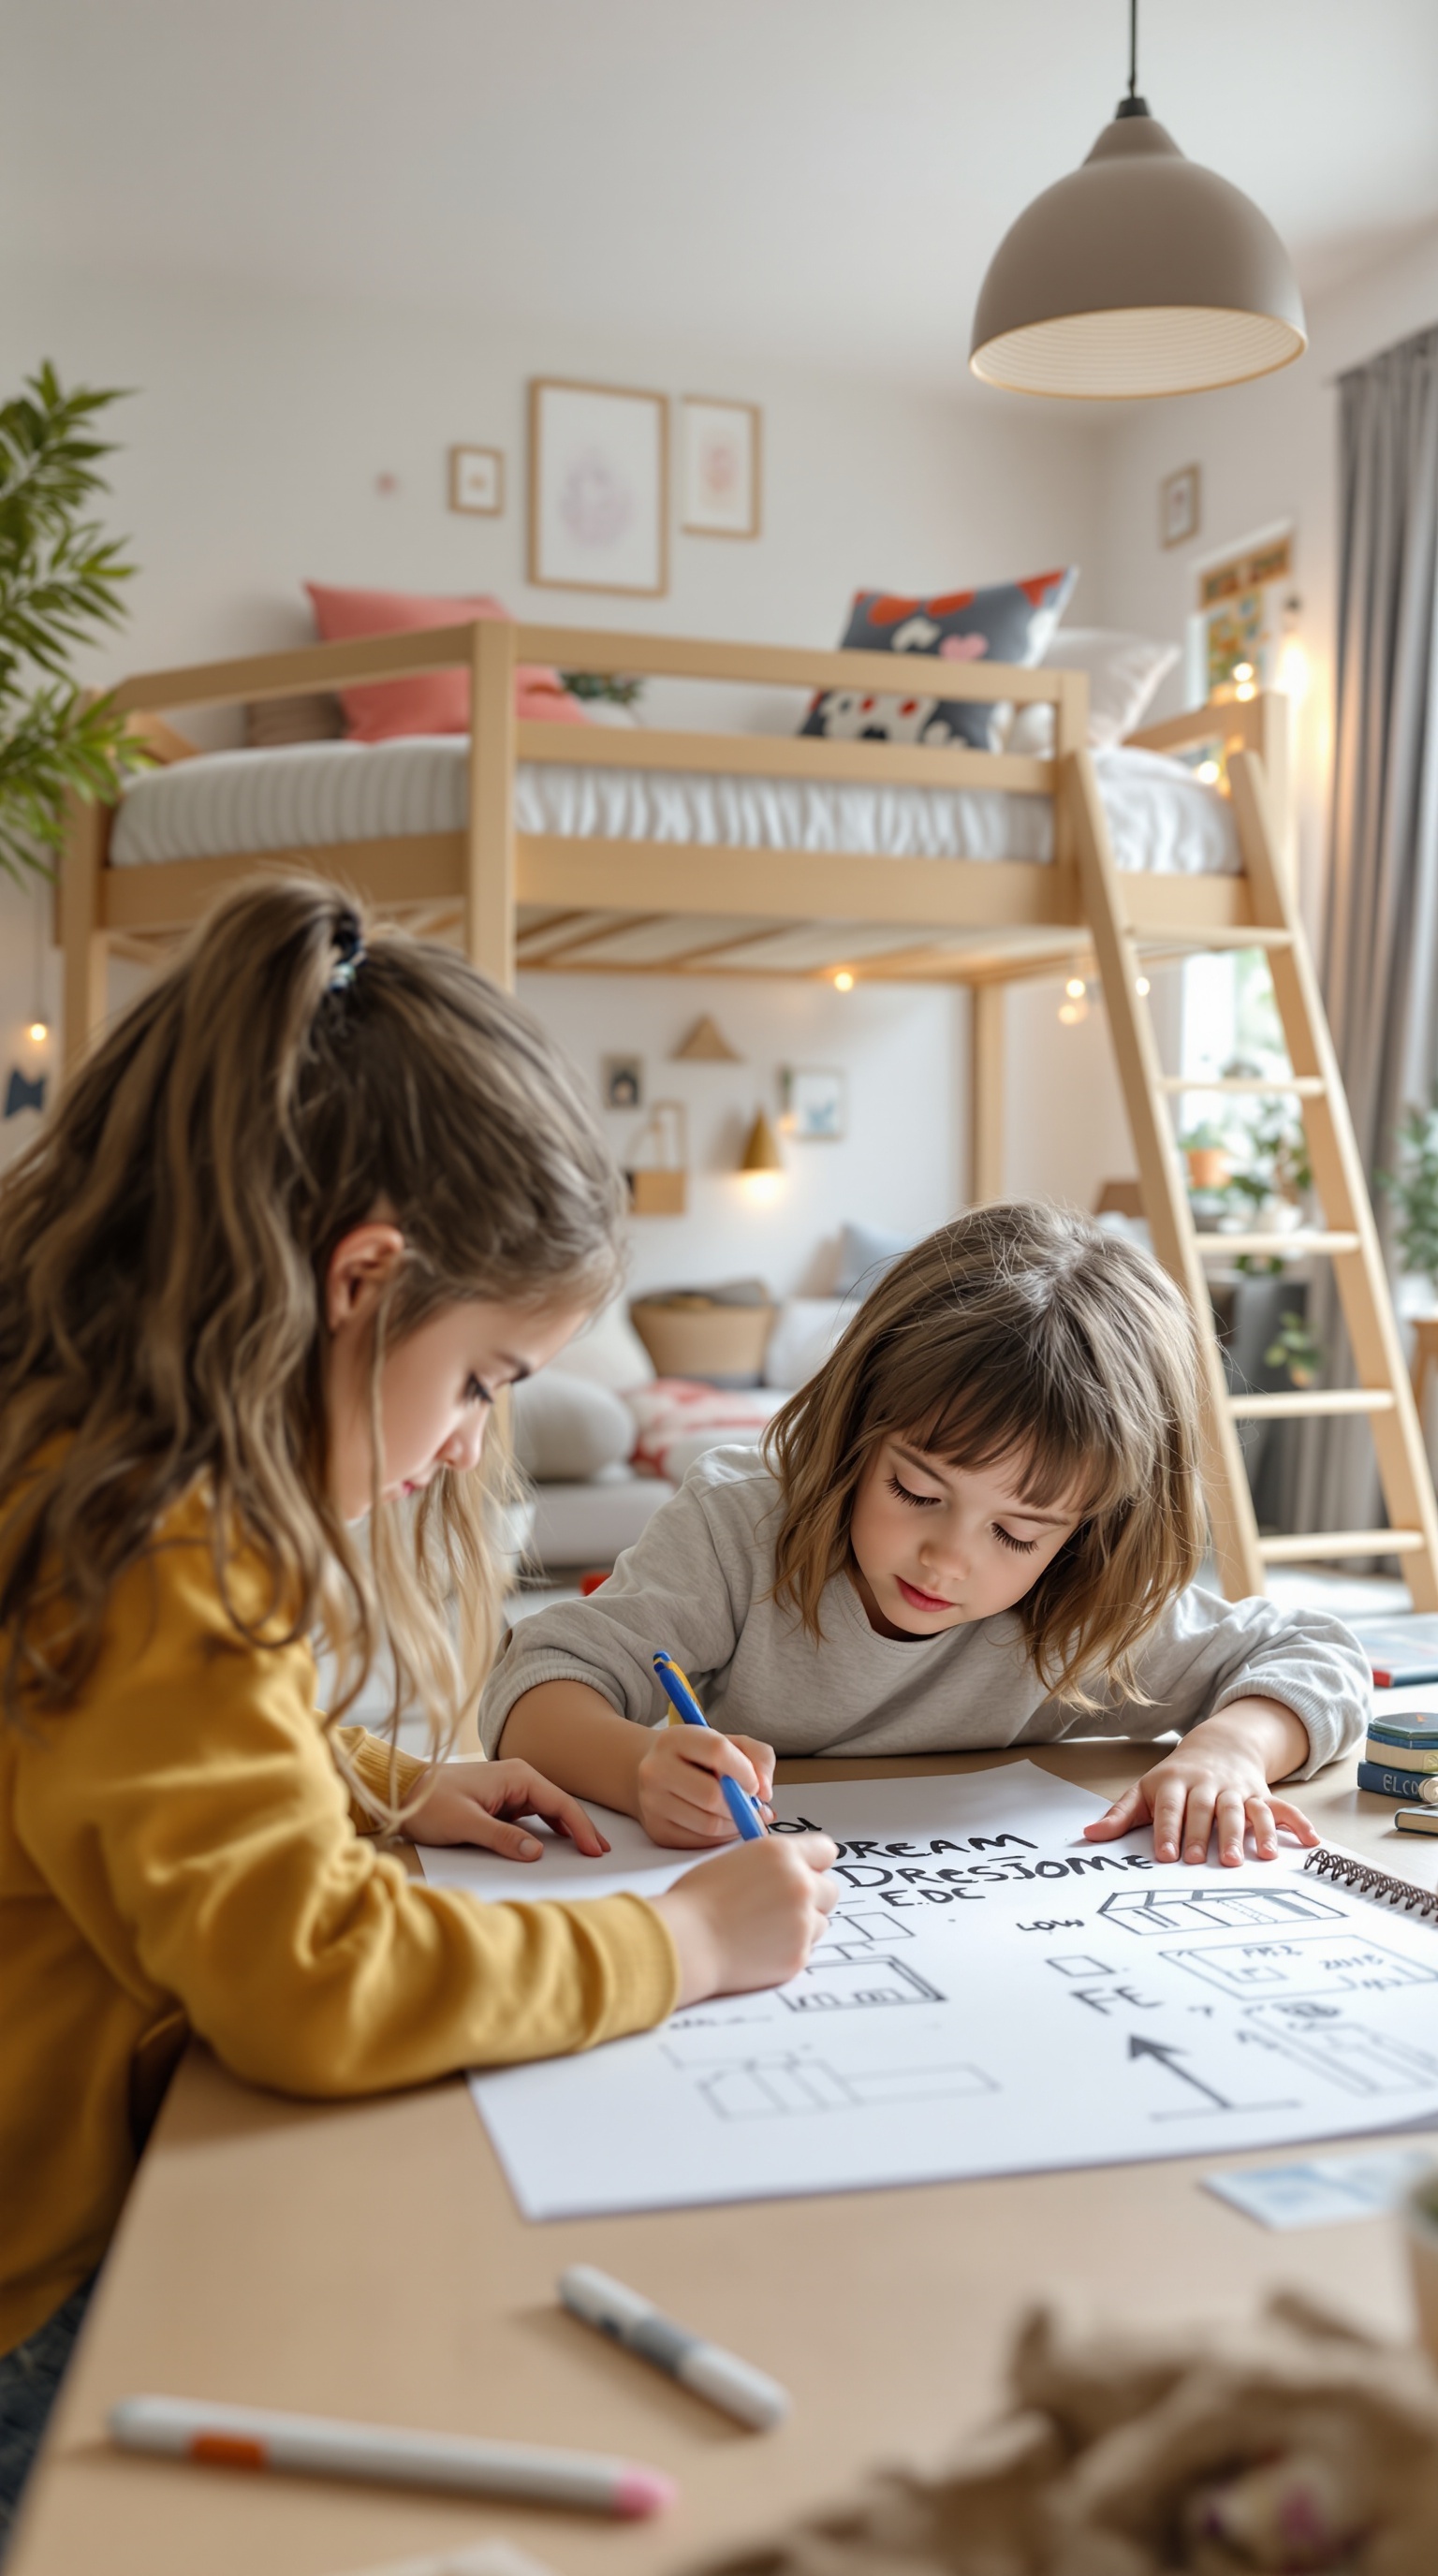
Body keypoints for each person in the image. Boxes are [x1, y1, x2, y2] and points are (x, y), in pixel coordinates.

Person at [0, 878, 835, 2545]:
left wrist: (382, 1777)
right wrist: (682, 1944)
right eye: (480, 1382)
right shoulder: (157, 1542)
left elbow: (104, 1761)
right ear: (359, 1277)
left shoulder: (61, 1442)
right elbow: (310, 1981)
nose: (464, 1445)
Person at [486, 1205, 1367, 1862]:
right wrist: (635, 1764)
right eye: (915, 1488)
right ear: (855, 1427)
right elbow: (536, 1681)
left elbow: (1317, 1652)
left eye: (1017, 1535)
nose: (949, 1558)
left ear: (1088, 1533)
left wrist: (1231, 1748)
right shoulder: (740, 1527)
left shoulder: (1087, 1605)